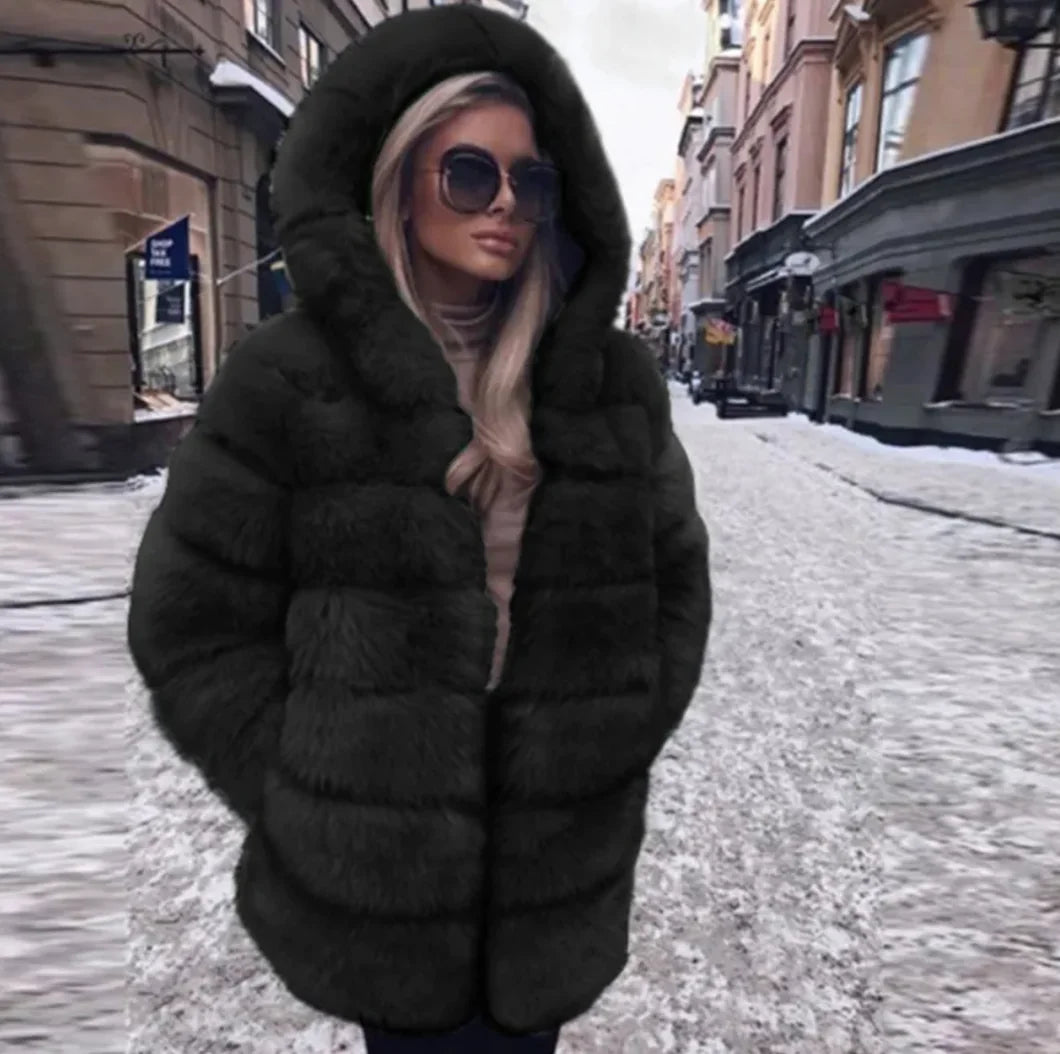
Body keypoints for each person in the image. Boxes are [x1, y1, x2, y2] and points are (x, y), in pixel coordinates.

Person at [127, 7, 711, 1053]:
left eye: (532, 181)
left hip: (552, 883)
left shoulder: (608, 384)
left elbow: (676, 586)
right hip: (382, 898)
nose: (506, 205)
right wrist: (313, 792)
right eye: (469, 174)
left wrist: (604, 743)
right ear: (399, 182)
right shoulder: (291, 378)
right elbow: (190, 622)